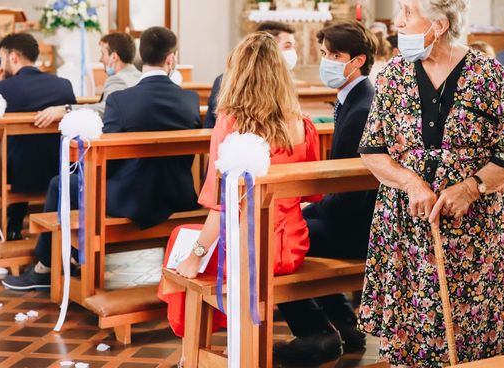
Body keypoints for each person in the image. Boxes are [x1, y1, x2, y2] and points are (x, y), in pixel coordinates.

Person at [357, 0, 504, 367]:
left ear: (438, 24)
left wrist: (470, 187)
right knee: (409, 339)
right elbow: (373, 150)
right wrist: (411, 183)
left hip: (472, 234)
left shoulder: (486, 73)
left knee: (470, 339)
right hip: (406, 225)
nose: (397, 20)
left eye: (407, 11)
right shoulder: (393, 75)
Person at [158, 32, 322, 366]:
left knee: (182, 241)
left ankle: (194, 349)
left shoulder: (230, 124)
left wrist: (196, 254)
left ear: (238, 73)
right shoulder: (302, 125)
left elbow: (221, 207)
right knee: (194, 240)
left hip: (250, 251)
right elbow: (310, 192)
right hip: (292, 245)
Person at [3, 26, 201, 290]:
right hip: (178, 194)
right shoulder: (189, 100)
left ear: (140, 57)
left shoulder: (121, 100)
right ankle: (72, 256)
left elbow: (108, 161)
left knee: (60, 183)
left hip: (130, 198)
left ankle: (45, 267)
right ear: (170, 59)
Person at [273, 21, 378, 364]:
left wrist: (304, 212)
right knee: (292, 225)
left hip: (358, 228)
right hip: (352, 218)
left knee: (274, 240)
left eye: (335, 55)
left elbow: (348, 199)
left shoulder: (362, 107)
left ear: (358, 60)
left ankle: (316, 332)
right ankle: (347, 325)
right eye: (324, 53)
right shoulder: (355, 97)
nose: (327, 61)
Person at [0, 33, 76, 238]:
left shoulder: (3, 88)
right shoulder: (63, 85)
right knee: (20, 151)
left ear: (13, 57)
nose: (0, 64)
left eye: (1, 58)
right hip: (54, 170)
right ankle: (12, 226)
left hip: (11, 172)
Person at [34, 32, 141, 127]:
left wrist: (65, 109)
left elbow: (107, 110)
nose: (100, 59)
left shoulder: (118, 80)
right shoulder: (139, 76)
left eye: (103, 54)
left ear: (114, 57)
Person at [204, 21, 298, 128]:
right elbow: (217, 124)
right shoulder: (227, 80)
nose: (293, 52)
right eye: (287, 46)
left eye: (293, 47)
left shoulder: (284, 81)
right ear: (268, 48)